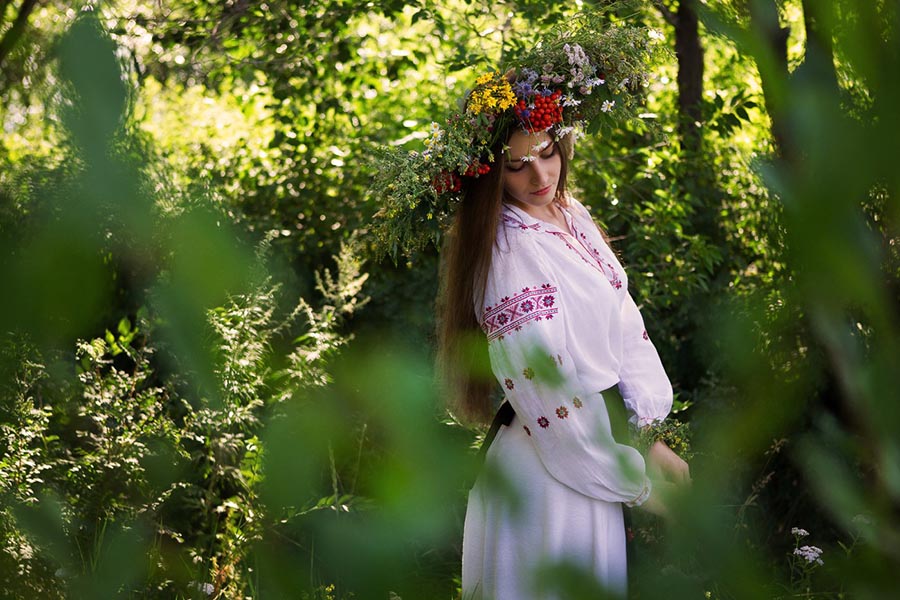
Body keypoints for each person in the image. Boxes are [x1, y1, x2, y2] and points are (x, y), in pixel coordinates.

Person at [431, 64, 691, 600]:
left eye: (547, 152)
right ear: (489, 175)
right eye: (517, 165)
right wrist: (635, 483)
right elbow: (545, 384)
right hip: (550, 466)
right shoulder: (507, 249)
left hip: (595, 455)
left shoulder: (570, 215)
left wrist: (649, 439)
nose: (539, 176)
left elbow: (624, 325)